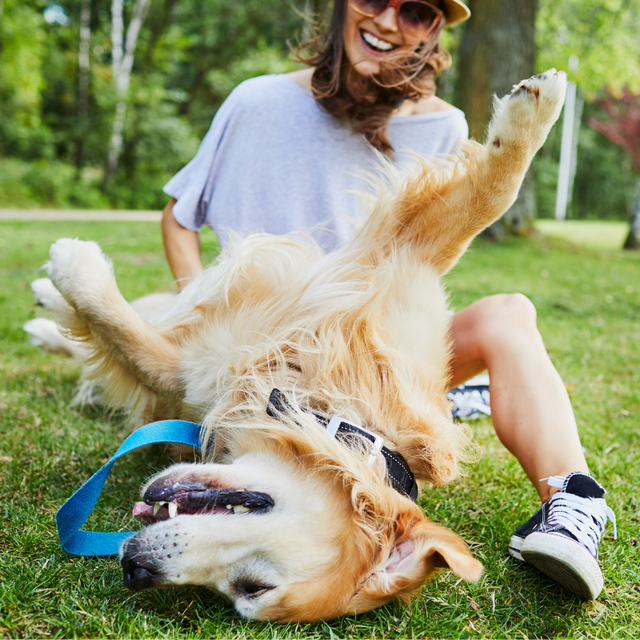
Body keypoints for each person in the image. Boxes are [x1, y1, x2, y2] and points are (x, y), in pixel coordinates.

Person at [161, 0, 616, 600]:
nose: (387, 22)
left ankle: (572, 507)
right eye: (374, 0)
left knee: (510, 313)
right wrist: (192, 313)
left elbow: (422, 265)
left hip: (379, 344)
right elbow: (179, 218)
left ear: (434, 33)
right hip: (269, 342)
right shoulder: (257, 101)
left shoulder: (443, 125)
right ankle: (470, 397)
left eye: (417, 11)